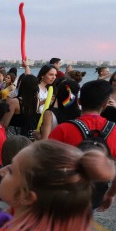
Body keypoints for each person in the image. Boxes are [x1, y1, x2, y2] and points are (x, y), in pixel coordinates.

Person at [49, 79, 116, 210]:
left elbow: (47, 164)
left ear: (79, 101)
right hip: (95, 194)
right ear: (104, 105)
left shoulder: (63, 129)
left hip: (64, 194)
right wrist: (110, 194)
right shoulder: (114, 130)